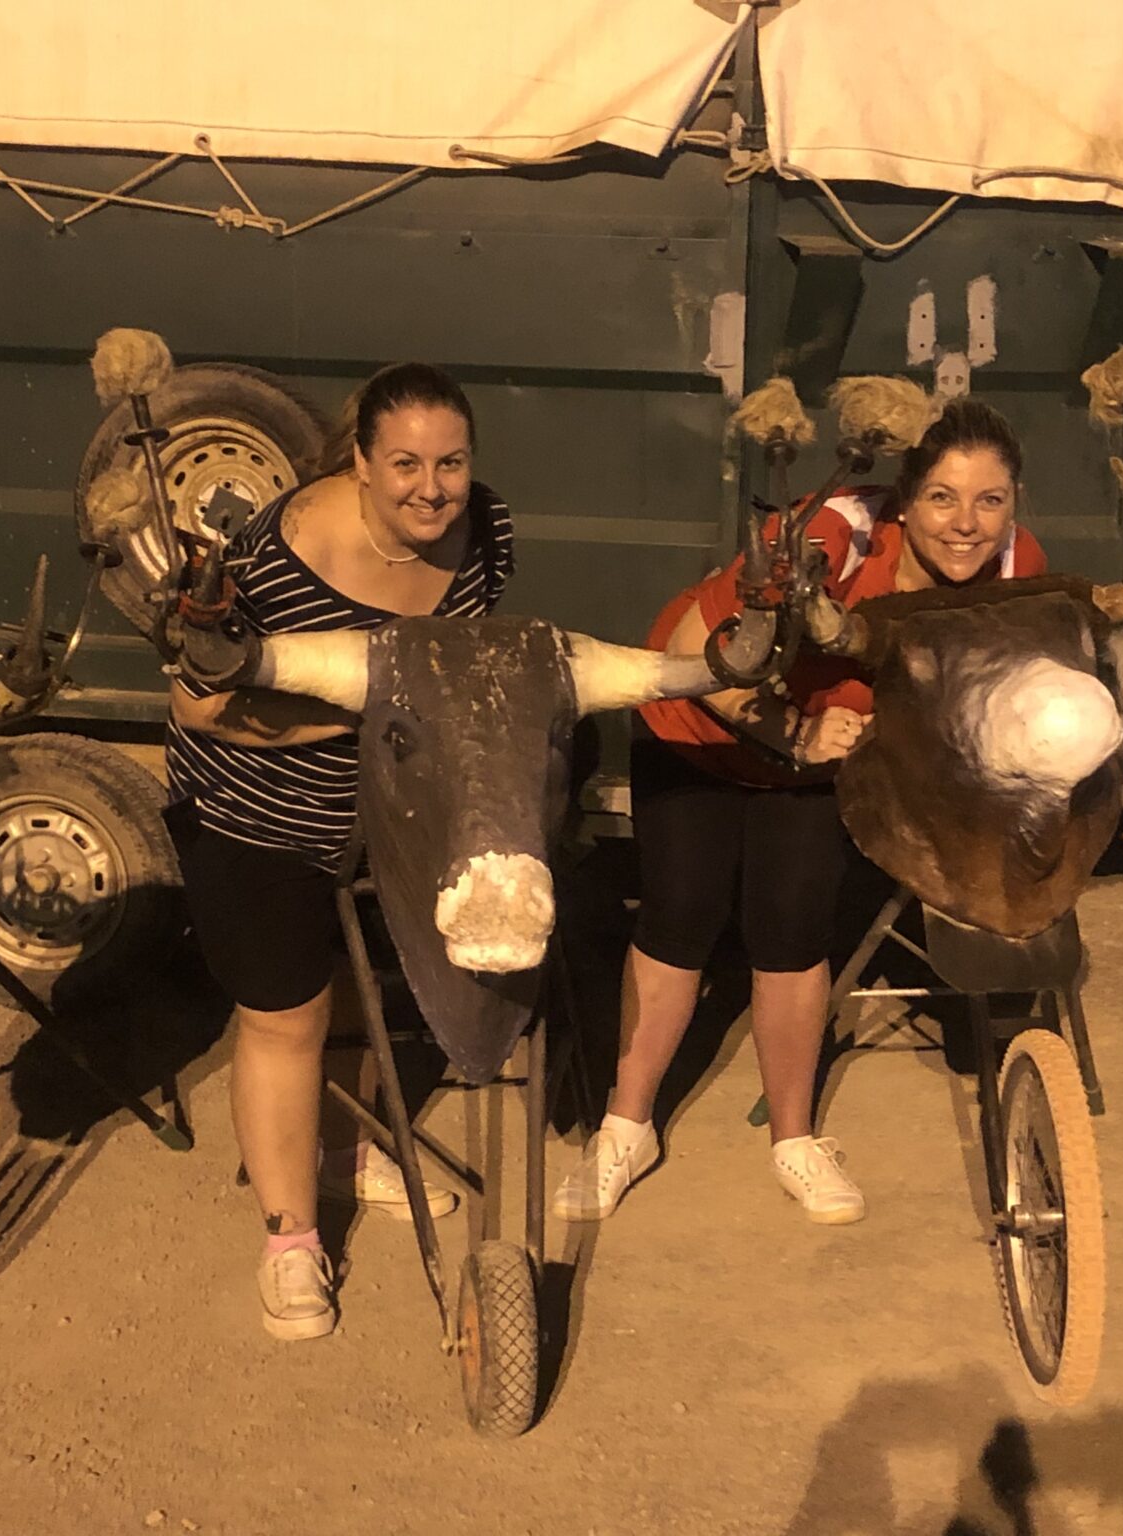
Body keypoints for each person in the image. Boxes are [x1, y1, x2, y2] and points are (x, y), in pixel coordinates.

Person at [551, 397, 1047, 1226]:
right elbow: (684, 652)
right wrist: (795, 731)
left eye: (989, 500)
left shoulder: (1015, 566)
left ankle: (795, 1140)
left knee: (792, 926)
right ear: (905, 498)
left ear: (1014, 504)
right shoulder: (828, 538)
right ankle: (624, 1129)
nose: (966, 523)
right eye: (942, 498)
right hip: (703, 724)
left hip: (823, 750)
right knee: (681, 914)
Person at [165, 363, 514, 1340]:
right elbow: (198, 705)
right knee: (286, 1016)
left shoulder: (486, 531)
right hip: (252, 813)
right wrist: (370, 711)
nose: (431, 489)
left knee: (364, 987)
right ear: (359, 462)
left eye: (450, 463)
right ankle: (290, 1242)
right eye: (405, 464)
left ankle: (344, 1151)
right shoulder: (274, 558)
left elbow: (462, 658)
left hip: (385, 811)